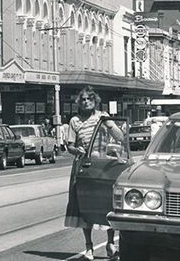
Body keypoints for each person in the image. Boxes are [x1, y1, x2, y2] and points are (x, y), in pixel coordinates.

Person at [64, 86, 122, 261]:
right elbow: (70, 146)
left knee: (108, 204)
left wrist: (110, 124)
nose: (86, 102)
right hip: (84, 166)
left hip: (104, 164)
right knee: (84, 204)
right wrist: (77, 150)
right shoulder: (74, 121)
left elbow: (120, 137)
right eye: (83, 99)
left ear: (95, 100)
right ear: (78, 102)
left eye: (89, 99)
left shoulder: (102, 116)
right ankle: (88, 247)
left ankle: (110, 244)